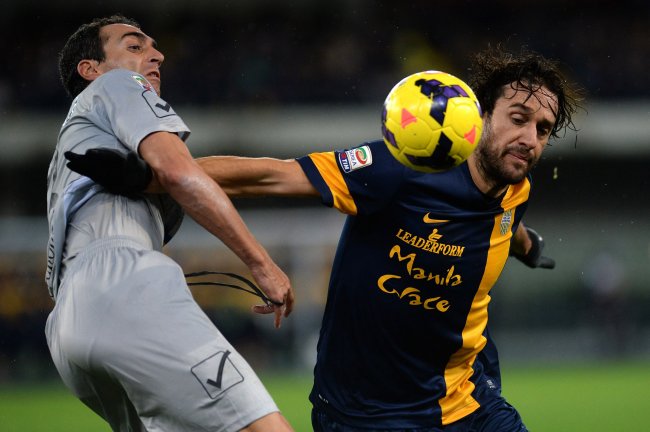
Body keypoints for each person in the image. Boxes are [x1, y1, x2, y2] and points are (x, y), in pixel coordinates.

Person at [66, 46, 582, 431]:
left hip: (467, 400)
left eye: (543, 129)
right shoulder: (397, 169)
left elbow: (504, 223)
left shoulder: (516, 189)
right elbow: (271, 176)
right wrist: (150, 175)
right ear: (482, 114)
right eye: (518, 119)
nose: (530, 140)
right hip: (365, 414)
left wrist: (528, 247)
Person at [45, 15, 295, 432]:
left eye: (154, 47)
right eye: (134, 46)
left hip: (67, 321)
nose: (157, 55)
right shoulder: (118, 84)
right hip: (122, 284)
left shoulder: (78, 142)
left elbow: (187, 173)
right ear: (91, 69)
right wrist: (261, 263)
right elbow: (180, 174)